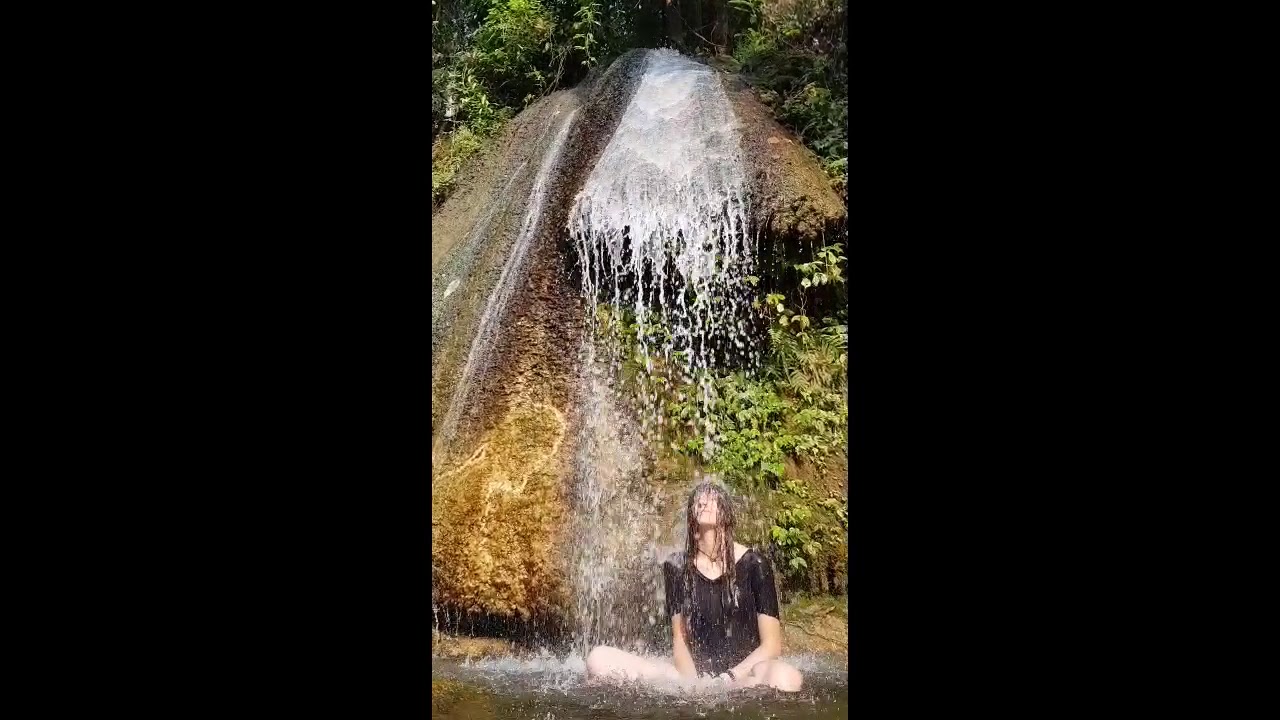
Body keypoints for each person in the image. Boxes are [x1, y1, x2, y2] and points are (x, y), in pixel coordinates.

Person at [585, 480, 804, 692]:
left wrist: (729, 678)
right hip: (695, 682)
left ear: (727, 513)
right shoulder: (676, 566)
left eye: (712, 497)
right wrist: (694, 688)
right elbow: (680, 640)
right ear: (691, 516)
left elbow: (772, 645)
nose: (703, 501)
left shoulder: (755, 564)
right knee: (599, 658)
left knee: (787, 677)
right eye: (698, 498)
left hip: (743, 677)